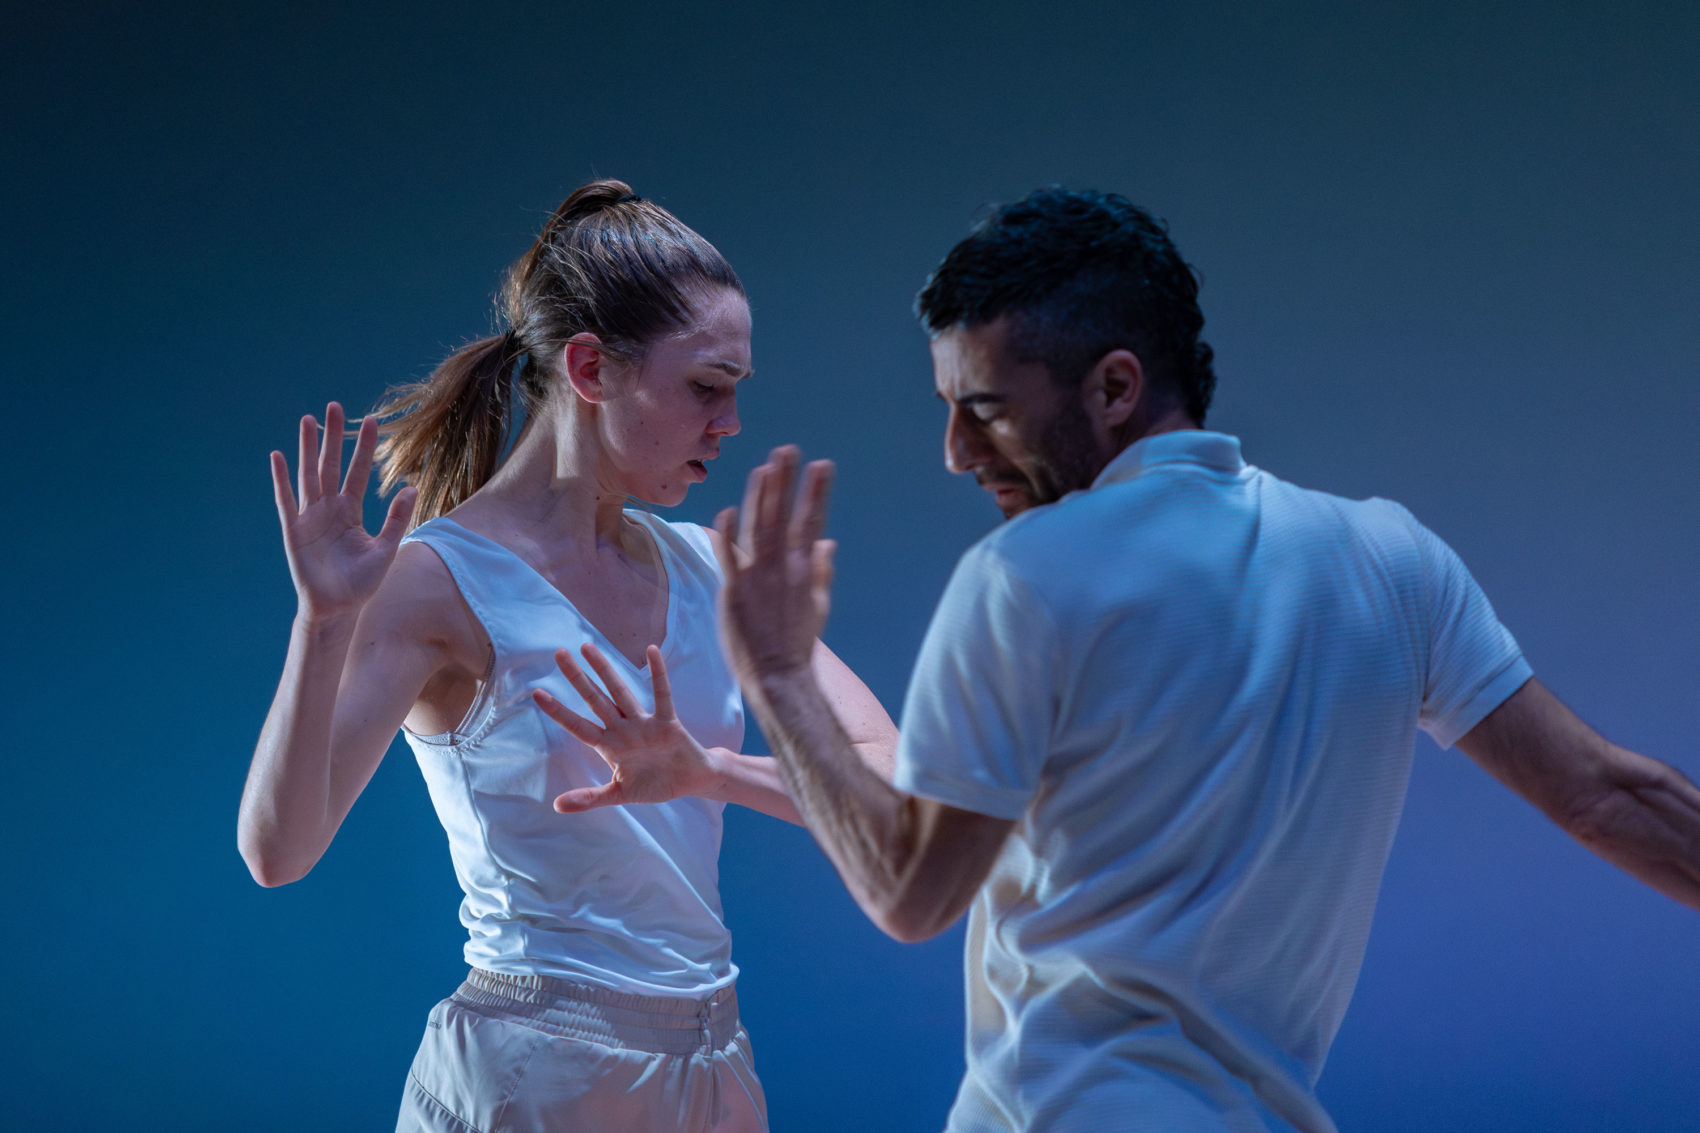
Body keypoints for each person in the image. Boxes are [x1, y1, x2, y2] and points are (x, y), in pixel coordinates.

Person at [703, 188, 1700, 1132]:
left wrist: (779, 676)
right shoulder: (1390, 557)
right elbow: (1608, 795)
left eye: (986, 409)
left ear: (1115, 386)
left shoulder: (1023, 575)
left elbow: (909, 891)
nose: (955, 452)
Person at [236, 180, 896, 1132]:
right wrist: (323, 625)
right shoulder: (439, 580)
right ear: (590, 368)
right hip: (533, 1078)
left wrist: (709, 770)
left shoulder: (714, 567)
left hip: (713, 1071)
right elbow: (277, 852)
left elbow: (895, 792)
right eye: (707, 387)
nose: (731, 423)